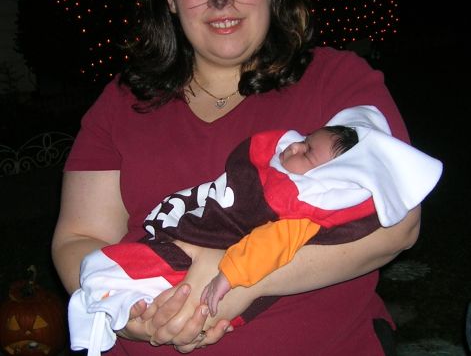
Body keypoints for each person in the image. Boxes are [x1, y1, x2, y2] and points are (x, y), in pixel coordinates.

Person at [52, 0, 426, 355]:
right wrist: (125, 313)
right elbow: (80, 237)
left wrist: (239, 279)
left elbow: (398, 225)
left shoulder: (337, 82)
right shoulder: (122, 102)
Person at [68, 105, 442, 355]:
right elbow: (76, 236)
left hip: (203, 275)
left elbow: (269, 243)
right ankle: (110, 310)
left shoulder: (303, 207)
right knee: (121, 281)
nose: (293, 148)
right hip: (178, 269)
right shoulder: (118, 104)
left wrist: (229, 275)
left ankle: (103, 307)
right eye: (304, 141)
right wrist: (136, 326)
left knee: (113, 271)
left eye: (307, 153)